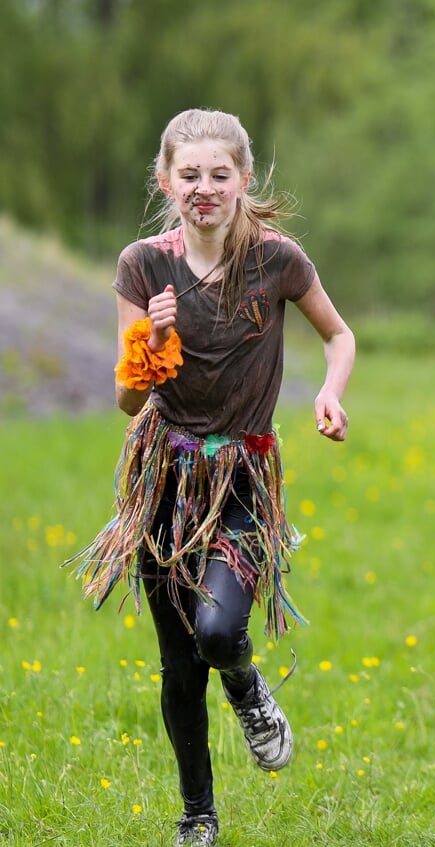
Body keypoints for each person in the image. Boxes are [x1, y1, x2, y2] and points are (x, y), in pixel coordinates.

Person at [66, 109, 355, 847]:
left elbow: (339, 334)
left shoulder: (278, 259)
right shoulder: (143, 264)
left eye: (218, 175)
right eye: (188, 175)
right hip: (163, 473)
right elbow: (129, 398)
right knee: (177, 662)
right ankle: (198, 816)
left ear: (242, 180)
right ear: (166, 180)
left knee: (220, 631)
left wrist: (330, 391)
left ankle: (247, 684)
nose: (203, 188)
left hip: (244, 475)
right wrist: (156, 338)